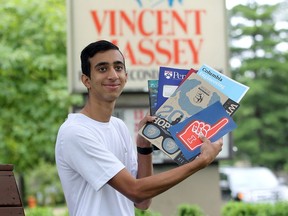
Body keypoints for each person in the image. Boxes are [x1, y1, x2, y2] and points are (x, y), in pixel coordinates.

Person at [55, 40, 223, 216]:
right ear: (86, 80)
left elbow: (142, 202)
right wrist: (200, 162)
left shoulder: (118, 127)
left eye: (118, 68)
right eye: (102, 69)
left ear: (126, 76)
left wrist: (144, 146)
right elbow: (135, 190)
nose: (113, 75)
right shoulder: (75, 132)